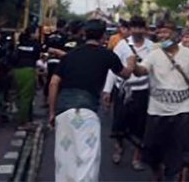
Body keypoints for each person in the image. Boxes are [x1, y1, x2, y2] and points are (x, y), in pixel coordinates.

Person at [132, 20, 189, 182]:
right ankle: (157, 175)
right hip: (156, 111)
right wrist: (133, 66)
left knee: (181, 149)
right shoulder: (154, 53)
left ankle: (179, 177)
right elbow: (142, 71)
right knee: (152, 150)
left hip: (181, 111)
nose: (162, 35)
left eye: (166, 32)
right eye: (160, 32)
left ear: (176, 34)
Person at [49, 19, 136, 182]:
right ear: (103, 36)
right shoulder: (107, 55)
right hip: (87, 112)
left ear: (84, 34)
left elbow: (54, 83)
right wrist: (131, 62)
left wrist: (52, 112)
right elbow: (125, 74)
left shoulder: (70, 55)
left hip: (64, 111)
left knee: (64, 159)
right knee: (87, 160)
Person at [103, 16, 154, 171]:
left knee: (140, 125)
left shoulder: (152, 47)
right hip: (123, 90)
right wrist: (107, 90)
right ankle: (119, 148)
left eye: (141, 28)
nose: (137, 31)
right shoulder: (122, 46)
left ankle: (137, 157)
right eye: (134, 27)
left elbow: (155, 69)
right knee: (119, 122)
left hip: (142, 91)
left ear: (145, 29)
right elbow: (113, 69)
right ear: (130, 29)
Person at [11, 28, 42, 128]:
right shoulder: (35, 45)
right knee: (27, 97)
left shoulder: (20, 44)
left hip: (17, 70)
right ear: (32, 34)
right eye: (37, 32)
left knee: (20, 95)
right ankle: (23, 122)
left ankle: (26, 119)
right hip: (28, 70)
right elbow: (37, 55)